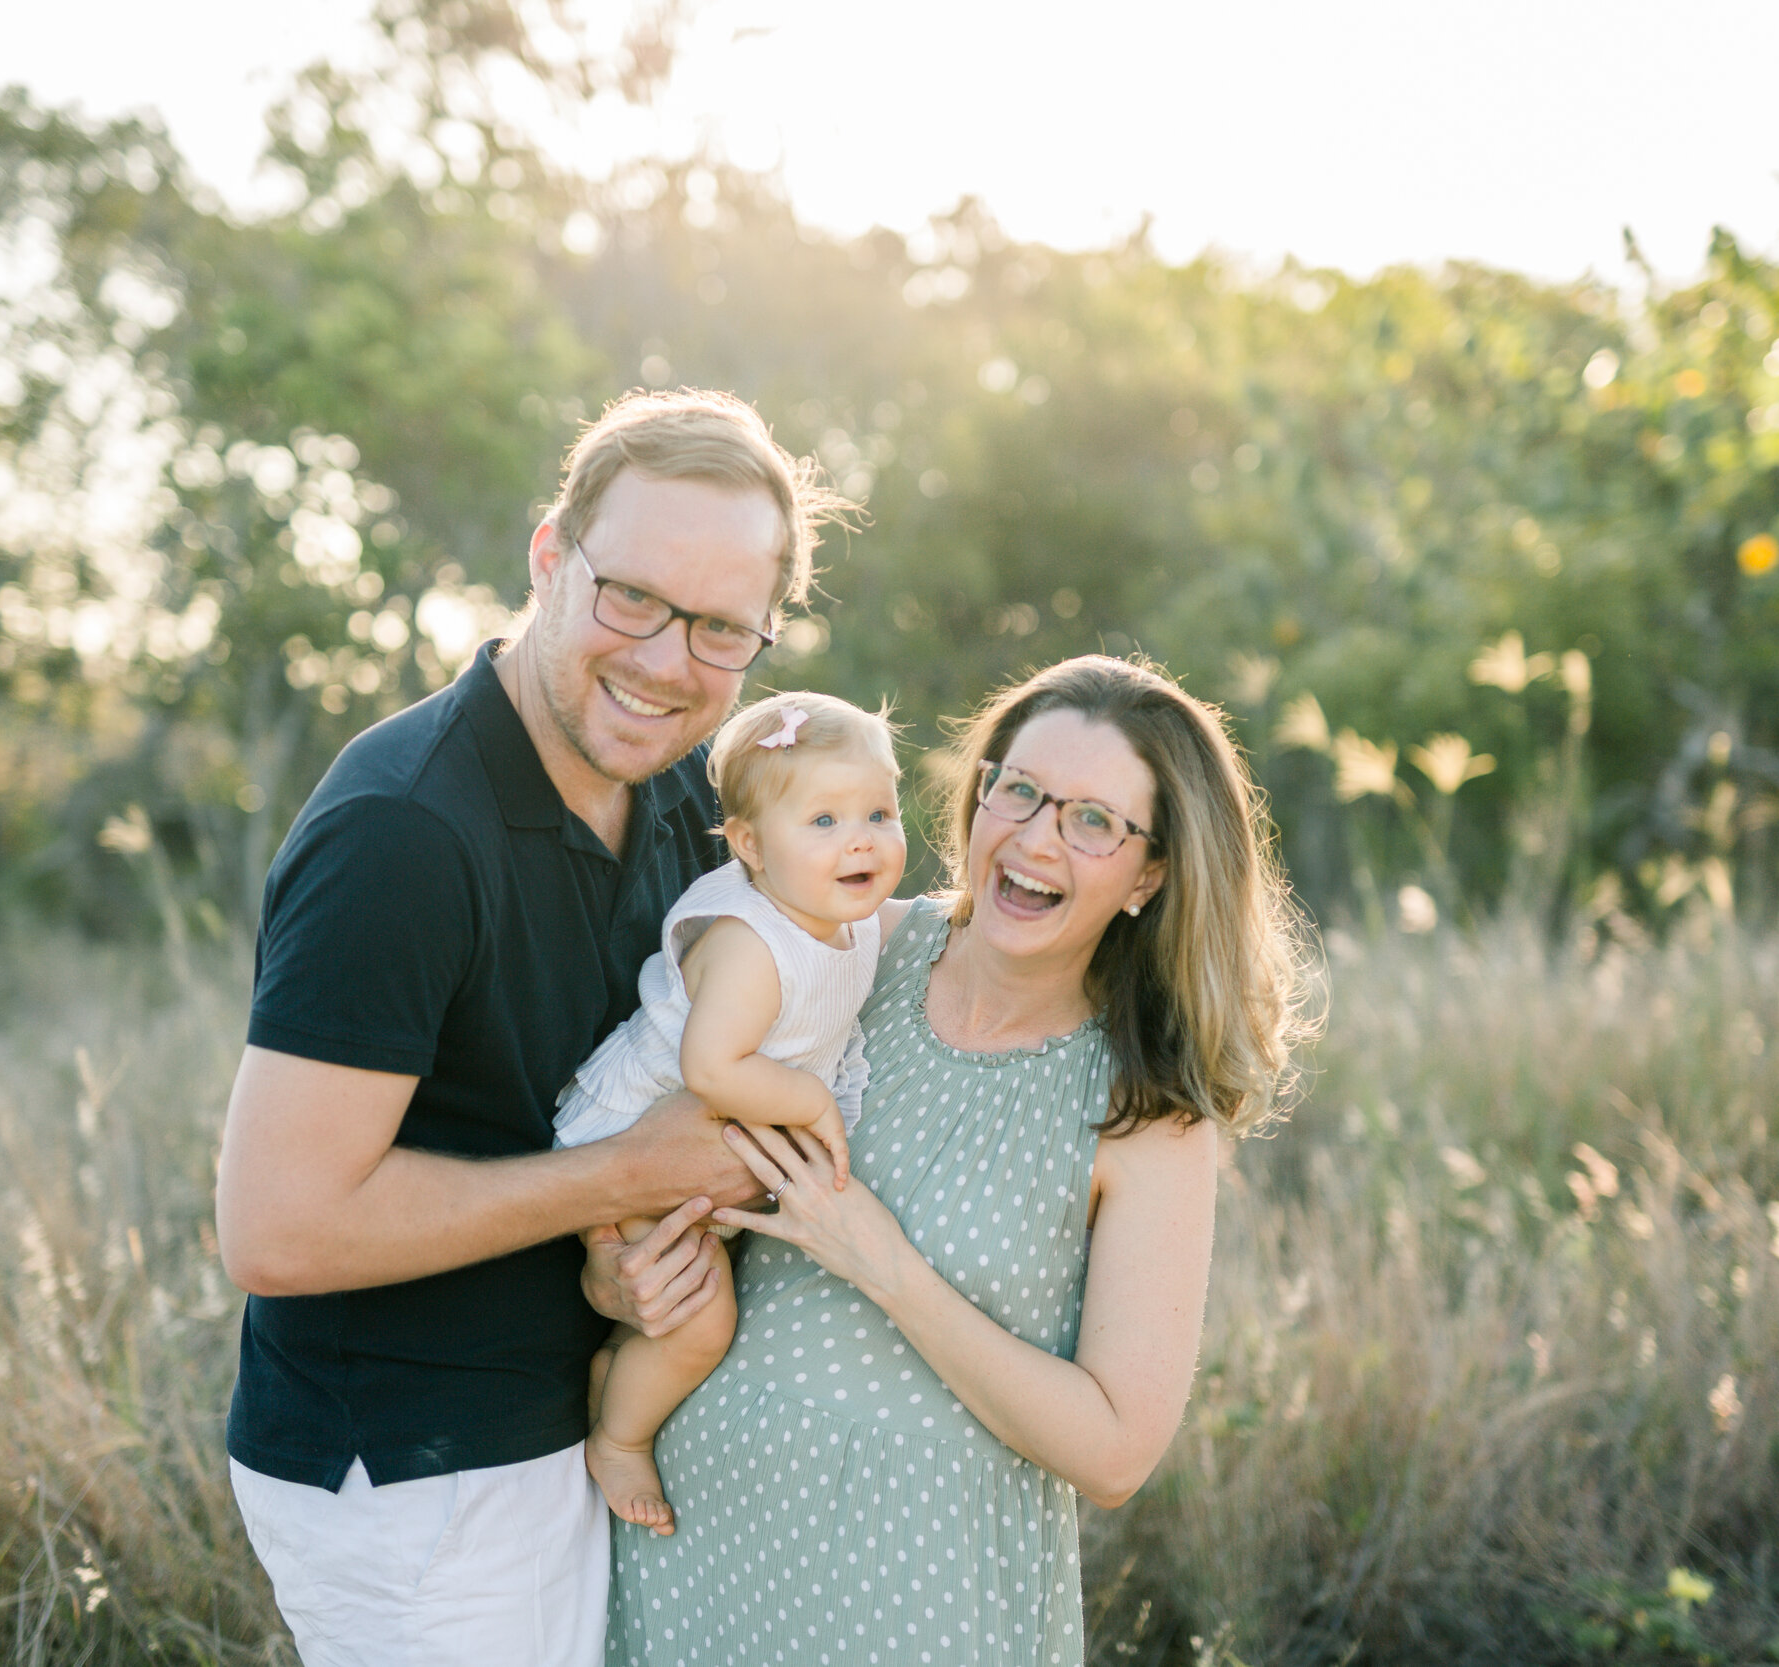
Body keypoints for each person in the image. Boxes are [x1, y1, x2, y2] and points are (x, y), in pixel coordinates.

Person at [212, 388, 850, 1666]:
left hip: (571, 1417)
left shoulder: (681, 787)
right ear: (549, 557)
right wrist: (622, 1178)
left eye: (722, 629)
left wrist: (620, 1255)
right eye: (632, 598)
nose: (669, 661)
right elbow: (275, 1226)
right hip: (411, 1470)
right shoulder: (401, 831)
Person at [604, 654, 1318, 1667]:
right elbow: (640, 1139)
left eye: (1092, 821)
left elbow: (1114, 1451)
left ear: (1148, 874)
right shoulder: (844, 949)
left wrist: (883, 1263)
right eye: (1018, 789)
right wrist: (615, 1270)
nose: (1033, 837)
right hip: (693, 1570)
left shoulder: (1144, 1111)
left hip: (922, 1604)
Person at [556, 692, 904, 1535]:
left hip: (694, 1145)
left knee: (689, 1302)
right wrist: (810, 1098)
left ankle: (620, 1370)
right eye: (822, 819)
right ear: (749, 843)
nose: (860, 838)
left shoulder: (839, 913)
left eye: (879, 812)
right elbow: (710, 1068)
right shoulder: (752, 941)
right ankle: (619, 1435)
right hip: (629, 1134)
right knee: (703, 1320)